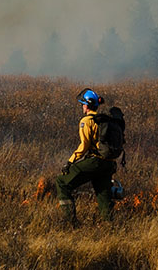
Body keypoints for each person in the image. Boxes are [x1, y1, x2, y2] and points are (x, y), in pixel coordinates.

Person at [56, 88, 118, 226]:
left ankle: (70, 222)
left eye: (83, 104)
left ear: (87, 105)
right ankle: (109, 227)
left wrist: (70, 162)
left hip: (96, 162)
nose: (82, 106)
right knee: (103, 196)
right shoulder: (104, 120)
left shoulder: (87, 121)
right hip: (109, 164)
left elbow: (84, 146)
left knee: (62, 183)